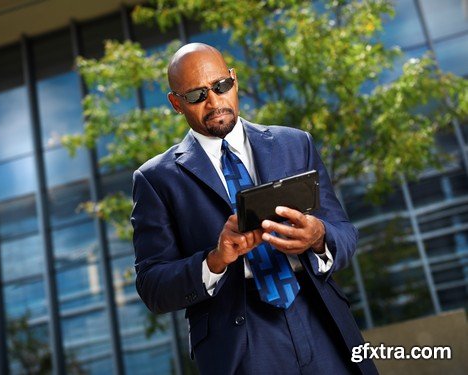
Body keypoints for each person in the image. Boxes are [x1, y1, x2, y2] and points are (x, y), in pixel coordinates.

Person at [131, 43, 377, 374]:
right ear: (176, 103)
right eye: (196, 95)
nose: (215, 102)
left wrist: (319, 237)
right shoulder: (155, 179)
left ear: (234, 80)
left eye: (221, 87)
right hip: (240, 339)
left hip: (320, 317)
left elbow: (344, 233)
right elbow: (153, 286)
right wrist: (215, 260)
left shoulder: (295, 143)